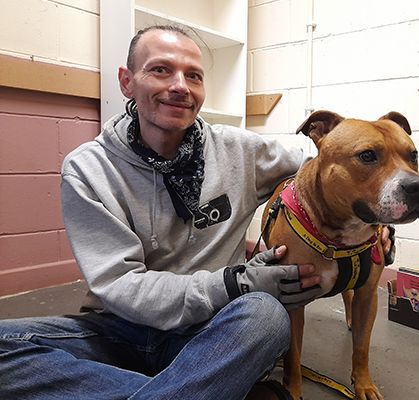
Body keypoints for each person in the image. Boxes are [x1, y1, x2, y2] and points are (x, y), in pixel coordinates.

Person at [0, 25, 394, 400]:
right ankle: (203, 386)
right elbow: (121, 286)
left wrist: (375, 215)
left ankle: (186, 383)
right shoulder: (88, 169)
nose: (179, 87)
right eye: (160, 70)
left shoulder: (241, 151)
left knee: (267, 316)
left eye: (193, 76)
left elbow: (329, 164)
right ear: (127, 81)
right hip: (121, 328)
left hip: (213, 329)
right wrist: (233, 284)